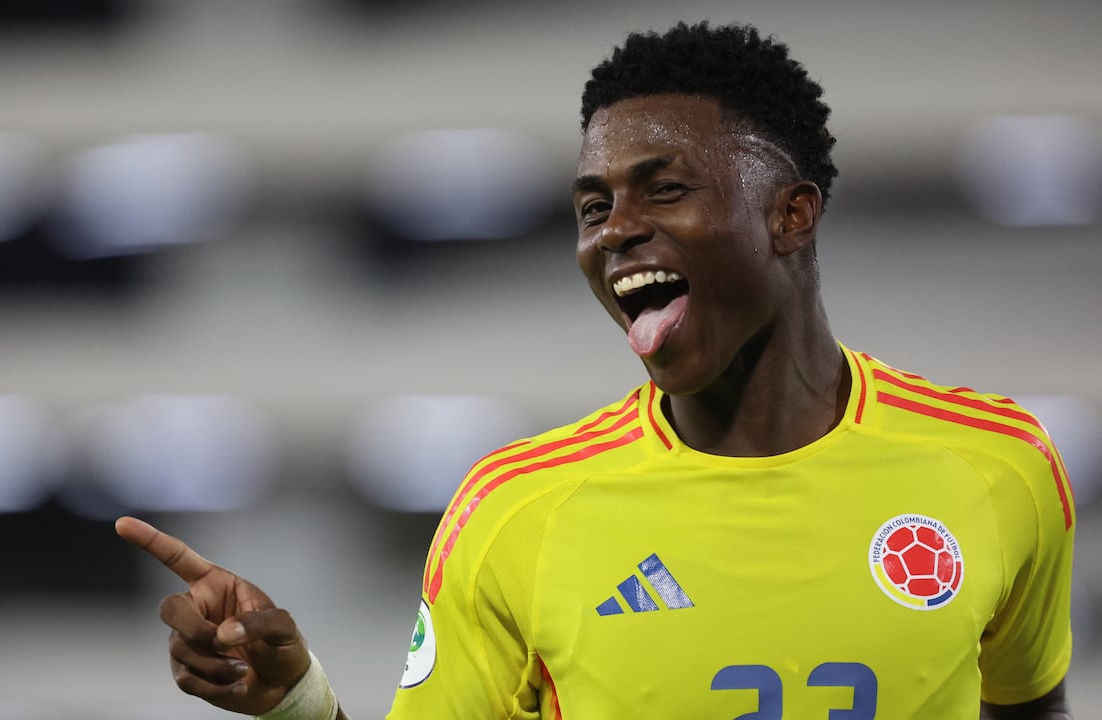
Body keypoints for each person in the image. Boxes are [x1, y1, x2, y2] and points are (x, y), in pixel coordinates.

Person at [116, 21, 1075, 719]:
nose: (614, 231)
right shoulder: (517, 510)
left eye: (664, 188)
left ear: (792, 215)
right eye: (591, 206)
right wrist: (296, 704)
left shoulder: (996, 464)